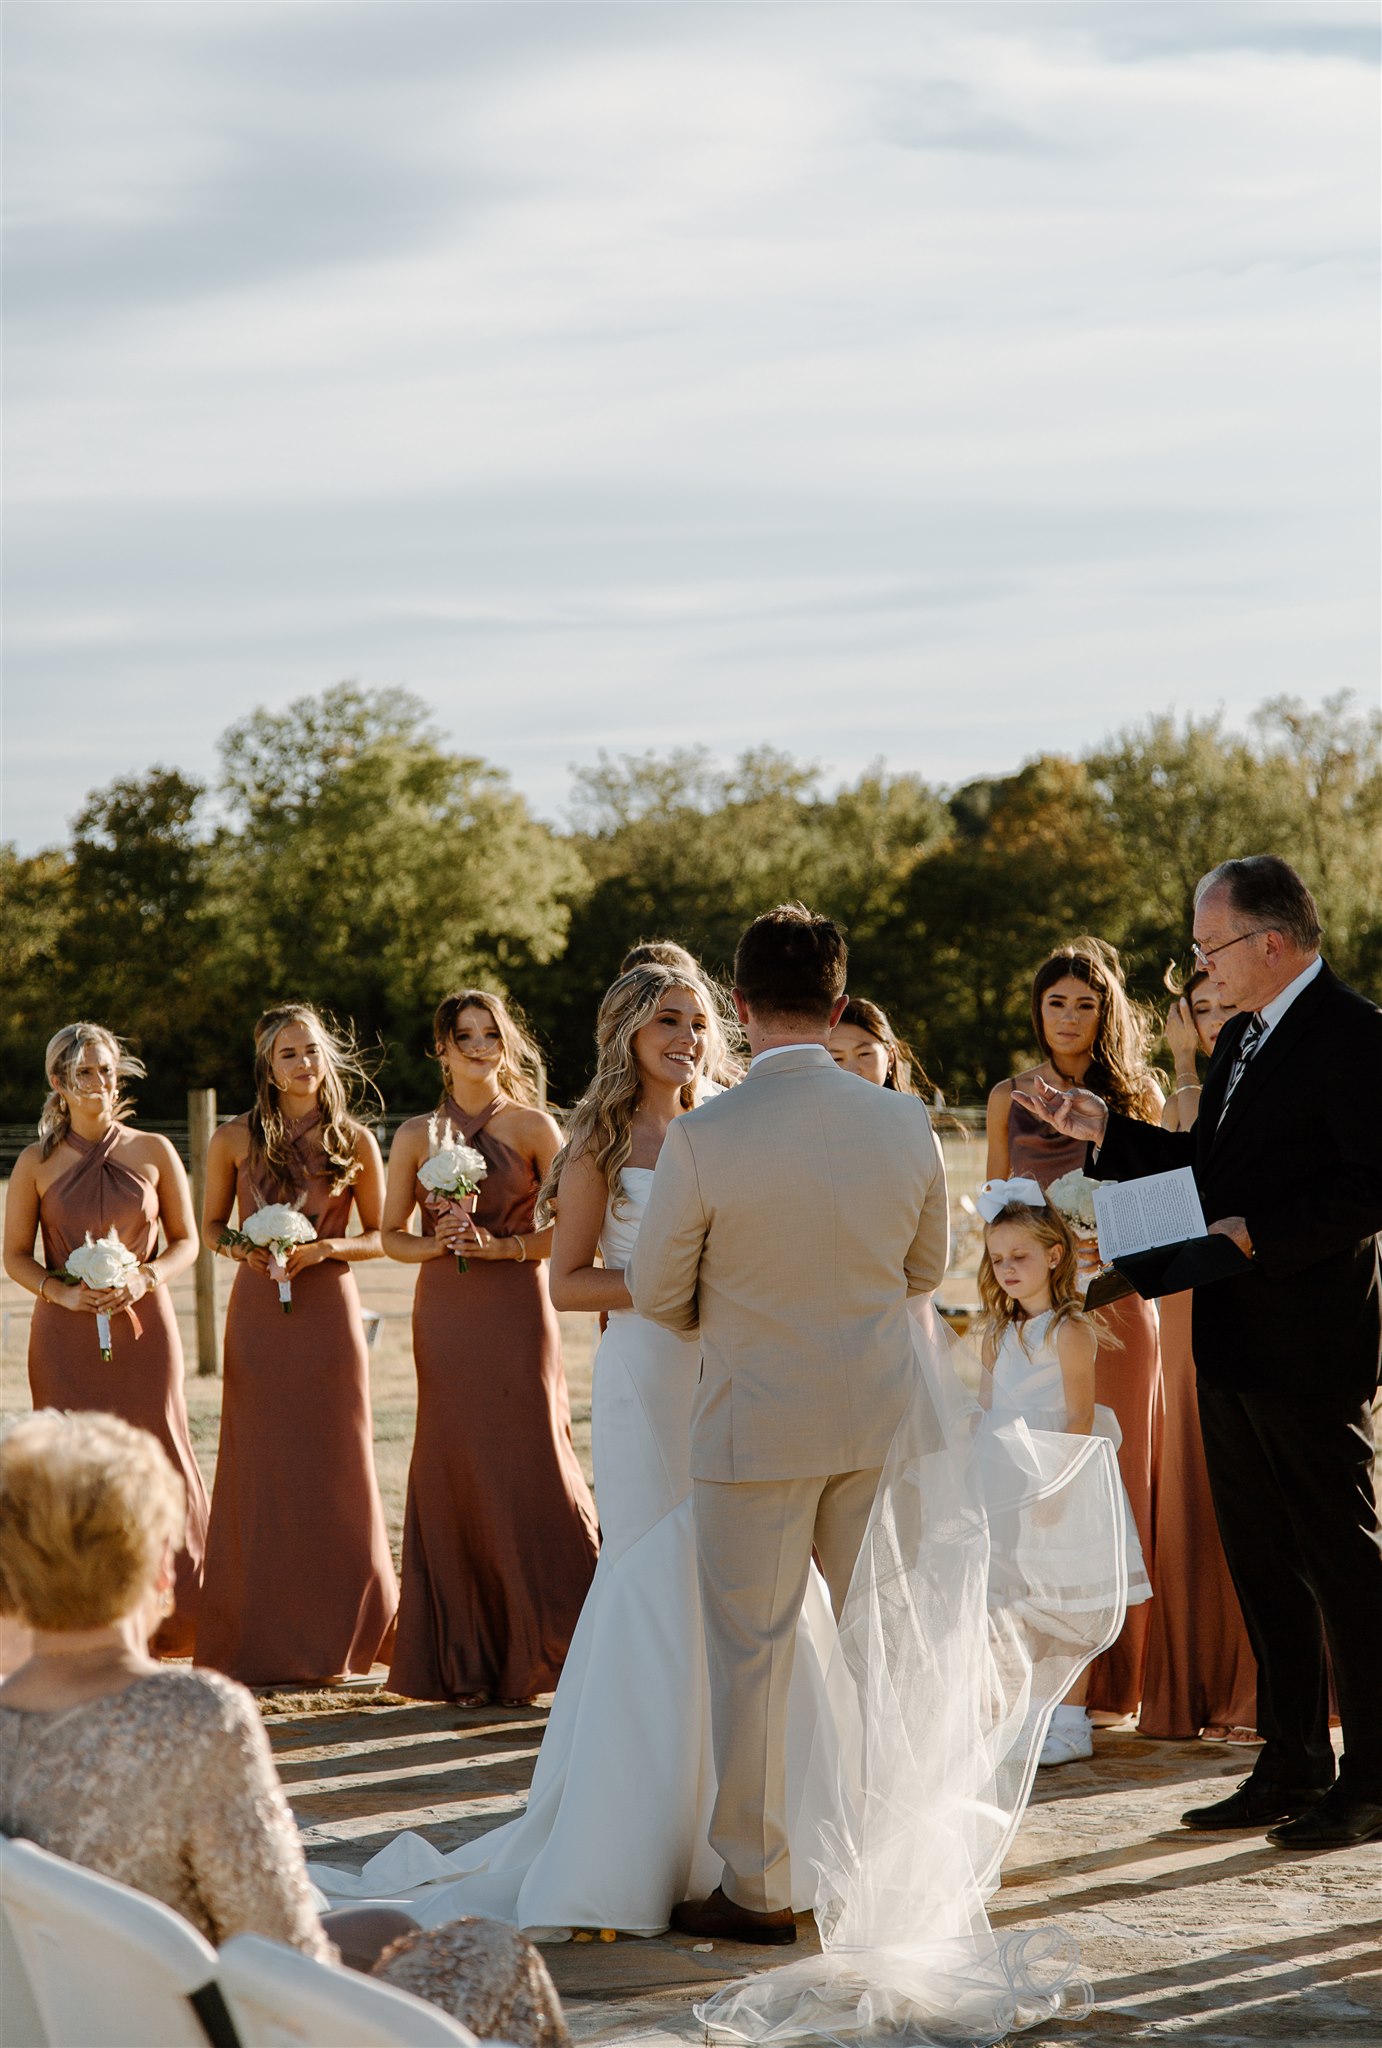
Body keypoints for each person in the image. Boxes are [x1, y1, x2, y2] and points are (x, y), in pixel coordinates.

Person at [311, 963, 845, 1935]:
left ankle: (772, 1841)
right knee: (659, 1571)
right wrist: (678, 1284)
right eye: (663, 1018)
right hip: (647, 1373)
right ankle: (636, 1841)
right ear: (626, 1030)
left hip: (738, 1373)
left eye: (695, 1017)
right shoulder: (598, 1138)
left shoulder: (731, 1120)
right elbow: (567, 1282)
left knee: (755, 1576)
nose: (685, 1033)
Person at [1017, 856, 1382, 1850]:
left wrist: (1257, 1233)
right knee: (1260, 1559)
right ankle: (1290, 1757)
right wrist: (1107, 1130)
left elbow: (1369, 1184)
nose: (1195, 966)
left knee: (1338, 1562)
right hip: (1224, 1337)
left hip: (1311, 1345)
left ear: (1269, 941)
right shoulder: (1238, 1043)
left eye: (1205, 945)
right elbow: (1203, 1169)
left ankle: (1372, 1778)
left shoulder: (1353, 1037)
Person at [628, 904, 951, 1944]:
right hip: (874, 1420)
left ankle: (759, 1884)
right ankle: (896, 1858)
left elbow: (656, 1290)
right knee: (882, 1647)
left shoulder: (704, 1133)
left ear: (737, 1004)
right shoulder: (902, 1122)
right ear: (839, 1002)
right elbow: (925, 1269)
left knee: (751, 1660)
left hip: (751, 1428)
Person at [0, 1410, 410, 1970]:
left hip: (45, 2009)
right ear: (162, 1569)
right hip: (190, 2012)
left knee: (390, 1927)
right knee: (473, 1952)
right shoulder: (196, 1714)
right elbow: (282, 1953)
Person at [384, 990, 598, 1707]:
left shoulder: (536, 1126)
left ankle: (565, 1642)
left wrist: (503, 1245)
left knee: (533, 1454)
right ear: (439, 1050)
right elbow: (390, 1234)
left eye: (490, 1034)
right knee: (455, 1460)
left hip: (516, 1310)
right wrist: (433, 1242)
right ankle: (466, 1659)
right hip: (444, 1314)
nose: (479, 1047)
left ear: (507, 1042)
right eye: (463, 1036)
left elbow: (576, 1231)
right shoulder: (416, 1134)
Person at [987, 938, 1165, 1718]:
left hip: (1117, 1305)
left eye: (1085, 1004)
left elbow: (1159, 1211)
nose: (1068, 1017)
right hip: (1035, 1314)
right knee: (1040, 1486)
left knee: (1114, 1483)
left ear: (1105, 1014)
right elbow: (995, 1210)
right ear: (1038, 1010)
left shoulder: (1139, 1099)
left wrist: (1106, 1244)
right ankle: (1049, 1682)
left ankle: (1120, 1681)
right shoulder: (1008, 1096)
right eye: (1055, 1002)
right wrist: (995, 1313)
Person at [197, 1005, 397, 1687]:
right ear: (267, 1066)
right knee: (260, 1463)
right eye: (288, 1054)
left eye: (311, 1050)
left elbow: (382, 1235)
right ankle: (256, 1628)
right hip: (257, 1313)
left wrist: (322, 1250)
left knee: (333, 1463)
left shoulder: (356, 1141)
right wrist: (248, 1250)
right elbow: (210, 1229)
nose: (304, 1063)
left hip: (328, 1311)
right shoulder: (231, 1140)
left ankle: (345, 1631)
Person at [2, 1023, 208, 1655]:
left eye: (110, 1070)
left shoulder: (152, 1151)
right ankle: (75, 1615)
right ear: (58, 1082)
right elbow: (14, 1255)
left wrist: (145, 1279)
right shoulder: (35, 1163)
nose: (102, 1083)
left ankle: (185, 1617)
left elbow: (187, 1241)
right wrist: (61, 1293)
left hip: (146, 1331)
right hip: (62, 1337)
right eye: (86, 1072)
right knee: (70, 1466)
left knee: (162, 1452)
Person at [976, 1182, 1151, 1766]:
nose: (1007, 1269)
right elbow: (986, 1412)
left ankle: (1071, 1722)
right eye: (998, 1259)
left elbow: (1079, 1415)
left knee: (1066, 1604)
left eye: (1019, 1256)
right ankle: (1031, 1717)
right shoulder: (997, 1333)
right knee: (1017, 1605)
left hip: (1060, 1481)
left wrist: (1057, 1491)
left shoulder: (1069, 1331)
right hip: (1009, 1483)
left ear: (1054, 1255)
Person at [1138, 969, 1258, 1743]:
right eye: (1197, 1013)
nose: (1210, 1023)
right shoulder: (1182, 1097)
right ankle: (1192, 1684)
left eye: (1221, 1009)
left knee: (1244, 1487)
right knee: (1190, 1476)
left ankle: (1252, 1692)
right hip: (1181, 1303)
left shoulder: (1218, 1090)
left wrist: (1185, 1074)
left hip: (1244, 1295)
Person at [827, 995, 934, 1097]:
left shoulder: (911, 1113)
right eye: (837, 1058)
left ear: (890, 1058)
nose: (851, 1071)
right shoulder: (813, 1113)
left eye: (864, 1054)